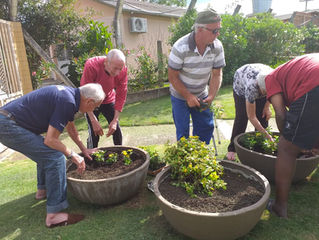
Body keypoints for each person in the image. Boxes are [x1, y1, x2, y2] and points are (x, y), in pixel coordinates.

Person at [0, 83, 105, 228]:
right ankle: (54, 215)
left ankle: (43, 191)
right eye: (95, 107)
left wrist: (84, 150)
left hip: (7, 120)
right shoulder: (68, 101)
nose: (93, 110)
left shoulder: (69, 95)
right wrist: (73, 154)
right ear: (89, 102)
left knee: (45, 152)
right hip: (8, 125)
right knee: (55, 157)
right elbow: (51, 140)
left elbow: (72, 129)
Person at [263, 53, 319, 218]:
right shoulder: (298, 66)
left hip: (314, 83)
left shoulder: (271, 77)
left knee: (286, 148)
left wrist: (289, 138)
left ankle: (279, 206)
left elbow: (280, 114)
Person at [168, 8, 226, 144]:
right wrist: (188, 96)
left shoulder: (217, 47)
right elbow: (172, 77)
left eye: (219, 30)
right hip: (180, 96)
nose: (217, 34)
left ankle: (201, 158)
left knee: (206, 127)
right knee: (183, 133)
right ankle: (185, 162)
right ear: (200, 29)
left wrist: (211, 96)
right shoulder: (180, 47)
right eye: (214, 31)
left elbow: (217, 74)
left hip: (202, 94)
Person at [80, 49, 128, 148]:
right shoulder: (92, 66)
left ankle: (121, 156)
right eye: (115, 68)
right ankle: (90, 159)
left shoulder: (122, 70)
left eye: (120, 69)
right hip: (90, 101)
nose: (118, 72)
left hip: (108, 99)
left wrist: (115, 120)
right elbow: (84, 95)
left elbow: (121, 95)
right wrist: (93, 120)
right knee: (94, 134)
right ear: (106, 62)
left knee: (117, 130)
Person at [226, 64, 274, 161]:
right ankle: (232, 149)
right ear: (258, 86)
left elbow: (272, 93)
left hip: (260, 77)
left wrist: (267, 106)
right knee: (242, 117)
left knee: (263, 116)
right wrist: (266, 135)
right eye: (265, 92)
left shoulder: (274, 79)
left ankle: (261, 146)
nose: (266, 94)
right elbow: (251, 117)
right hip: (240, 83)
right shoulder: (251, 88)